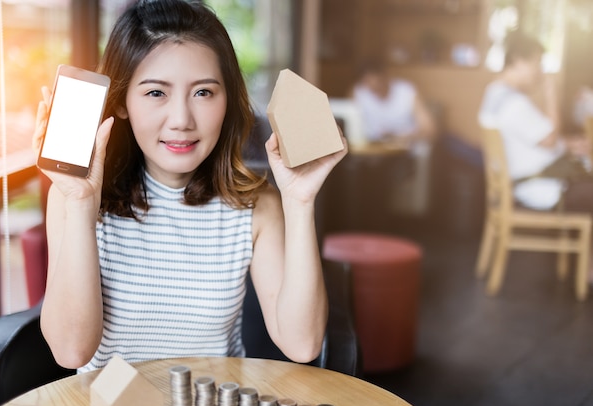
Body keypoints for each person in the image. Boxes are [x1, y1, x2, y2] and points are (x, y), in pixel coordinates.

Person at [32, 0, 347, 373]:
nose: (181, 120)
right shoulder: (73, 200)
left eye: (203, 93)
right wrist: (82, 204)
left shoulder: (257, 206)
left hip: (212, 403)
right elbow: (71, 352)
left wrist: (300, 201)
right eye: (155, 93)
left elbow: (302, 343)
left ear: (227, 101)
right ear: (121, 103)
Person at [478, 32, 592, 211]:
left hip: (531, 184)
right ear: (518, 61)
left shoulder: (495, 94)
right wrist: (552, 95)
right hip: (544, 189)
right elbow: (550, 140)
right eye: (537, 63)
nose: (540, 71)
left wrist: (569, 144)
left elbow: (536, 140)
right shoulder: (513, 103)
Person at [351, 60, 437, 215]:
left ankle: (376, 220)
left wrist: (404, 136)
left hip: (401, 153)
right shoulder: (359, 92)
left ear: (386, 77)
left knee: (379, 171)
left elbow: (429, 128)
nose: (373, 90)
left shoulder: (406, 92)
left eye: (377, 85)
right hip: (370, 150)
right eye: (368, 86)